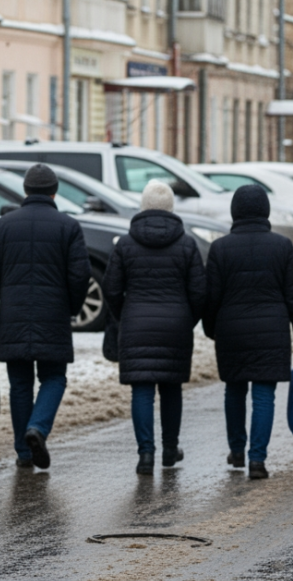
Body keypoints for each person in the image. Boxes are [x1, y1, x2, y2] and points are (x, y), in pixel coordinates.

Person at [0, 164, 91, 469]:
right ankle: (37, 428)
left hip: (12, 316)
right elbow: (80, 276)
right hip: (53, 315)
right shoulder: (68, 226)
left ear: (25, 191)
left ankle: (24, 453)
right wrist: (71, 307)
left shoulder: (3, 226)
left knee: (20, 383)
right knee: (54, 377)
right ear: (54, 192)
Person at [203, 184, 293, 479]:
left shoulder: (220, 248)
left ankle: (237, 450)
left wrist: (211, 329)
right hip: (272, 331)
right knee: (264, 395)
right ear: (265, 210)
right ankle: (257, 460)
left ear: (234, 212)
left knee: (234, 390)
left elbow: (211, 297)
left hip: (231, 330)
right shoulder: (282, 245)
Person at [101, 180, 207, 475]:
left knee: (142, 390)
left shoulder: (125, 244)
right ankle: (170, 450)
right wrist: (187, 319)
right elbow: (199, 292)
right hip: (175, 325)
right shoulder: (187, 244)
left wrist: (125, 315)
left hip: (135, 323)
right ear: (171, 207)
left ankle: (145, 454)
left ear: (143, 207)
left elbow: (111, 288)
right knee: (171, 388)